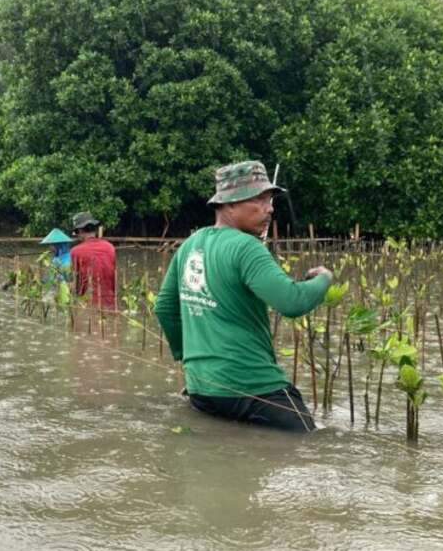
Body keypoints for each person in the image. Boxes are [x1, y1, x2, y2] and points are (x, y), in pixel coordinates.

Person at [153, 160, 332, 431]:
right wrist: (324, 280)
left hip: (202, 390)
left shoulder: (190, 244)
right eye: (259, 200)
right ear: (230, 204)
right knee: (313, 446)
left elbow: (164, 309)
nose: (270, 208)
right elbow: (292, 302)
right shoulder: (247, 247)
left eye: (270, 200)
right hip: (256, 388)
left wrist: (190, 359)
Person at [70, 211, 116, 309]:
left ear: (80, 231)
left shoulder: (75, 251)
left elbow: (76, 283)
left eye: (77, 232)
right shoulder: (110, 247)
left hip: (89, 304)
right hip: (111, 302)